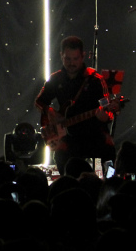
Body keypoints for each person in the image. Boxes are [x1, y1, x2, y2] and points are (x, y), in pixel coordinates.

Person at [35, 36, 116, 175]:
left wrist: (105, 115)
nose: (71, 63)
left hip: (94, 133)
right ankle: (69, 184)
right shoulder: (56, 78)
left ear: (83, 56)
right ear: (61, 56)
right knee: (60, 155)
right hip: (69, 136)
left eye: (75, 59)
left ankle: (111, 183)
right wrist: (49, 111)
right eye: (68, 59)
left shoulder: (96, 80)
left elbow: (108, 110)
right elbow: (39, 101)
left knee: (109, 151)